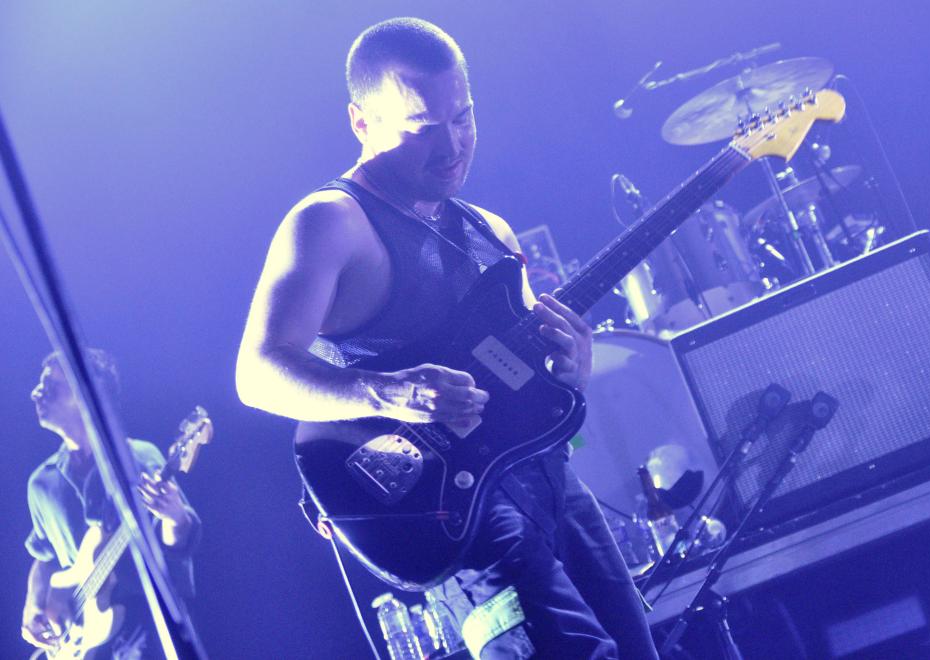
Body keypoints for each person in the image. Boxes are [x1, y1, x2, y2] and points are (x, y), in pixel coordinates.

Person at [235, 17, 657, 658]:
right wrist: (389, 392)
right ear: (361, 123)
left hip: (549, 485)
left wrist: (569, 370)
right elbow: (257, 372)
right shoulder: (330, 222)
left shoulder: (491, 232)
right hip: (450, 511)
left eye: (463, 118)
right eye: (423, 128)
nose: (452, 145)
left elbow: (526, 386)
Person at [21, 349, 201, 659]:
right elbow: (44, 558)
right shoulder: (41, 483)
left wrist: (174, 517)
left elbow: (176, 548)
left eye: (52, 385)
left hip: (144, 627)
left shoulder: (137, 459)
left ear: (87, 395)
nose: (37, 392)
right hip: (80, 642)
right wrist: (33, 608)